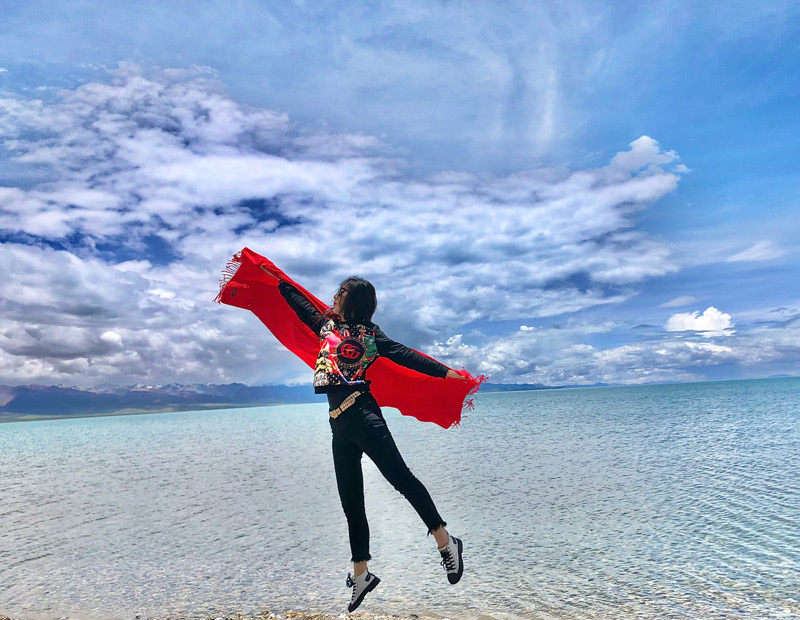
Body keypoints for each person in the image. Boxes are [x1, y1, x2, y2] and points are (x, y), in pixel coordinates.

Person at [262, 269, 465, 612]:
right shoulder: (326, 326)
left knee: (402, 480)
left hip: (364, 415)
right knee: (351, 503)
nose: (334, 296)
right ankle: (361, 575)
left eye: (340, 292)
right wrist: (274, 278)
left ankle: (446, 543)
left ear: (353, 300)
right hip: (338, 425)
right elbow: (299, 304)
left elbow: (405, 354)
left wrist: (447, 373)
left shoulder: (371, 335)